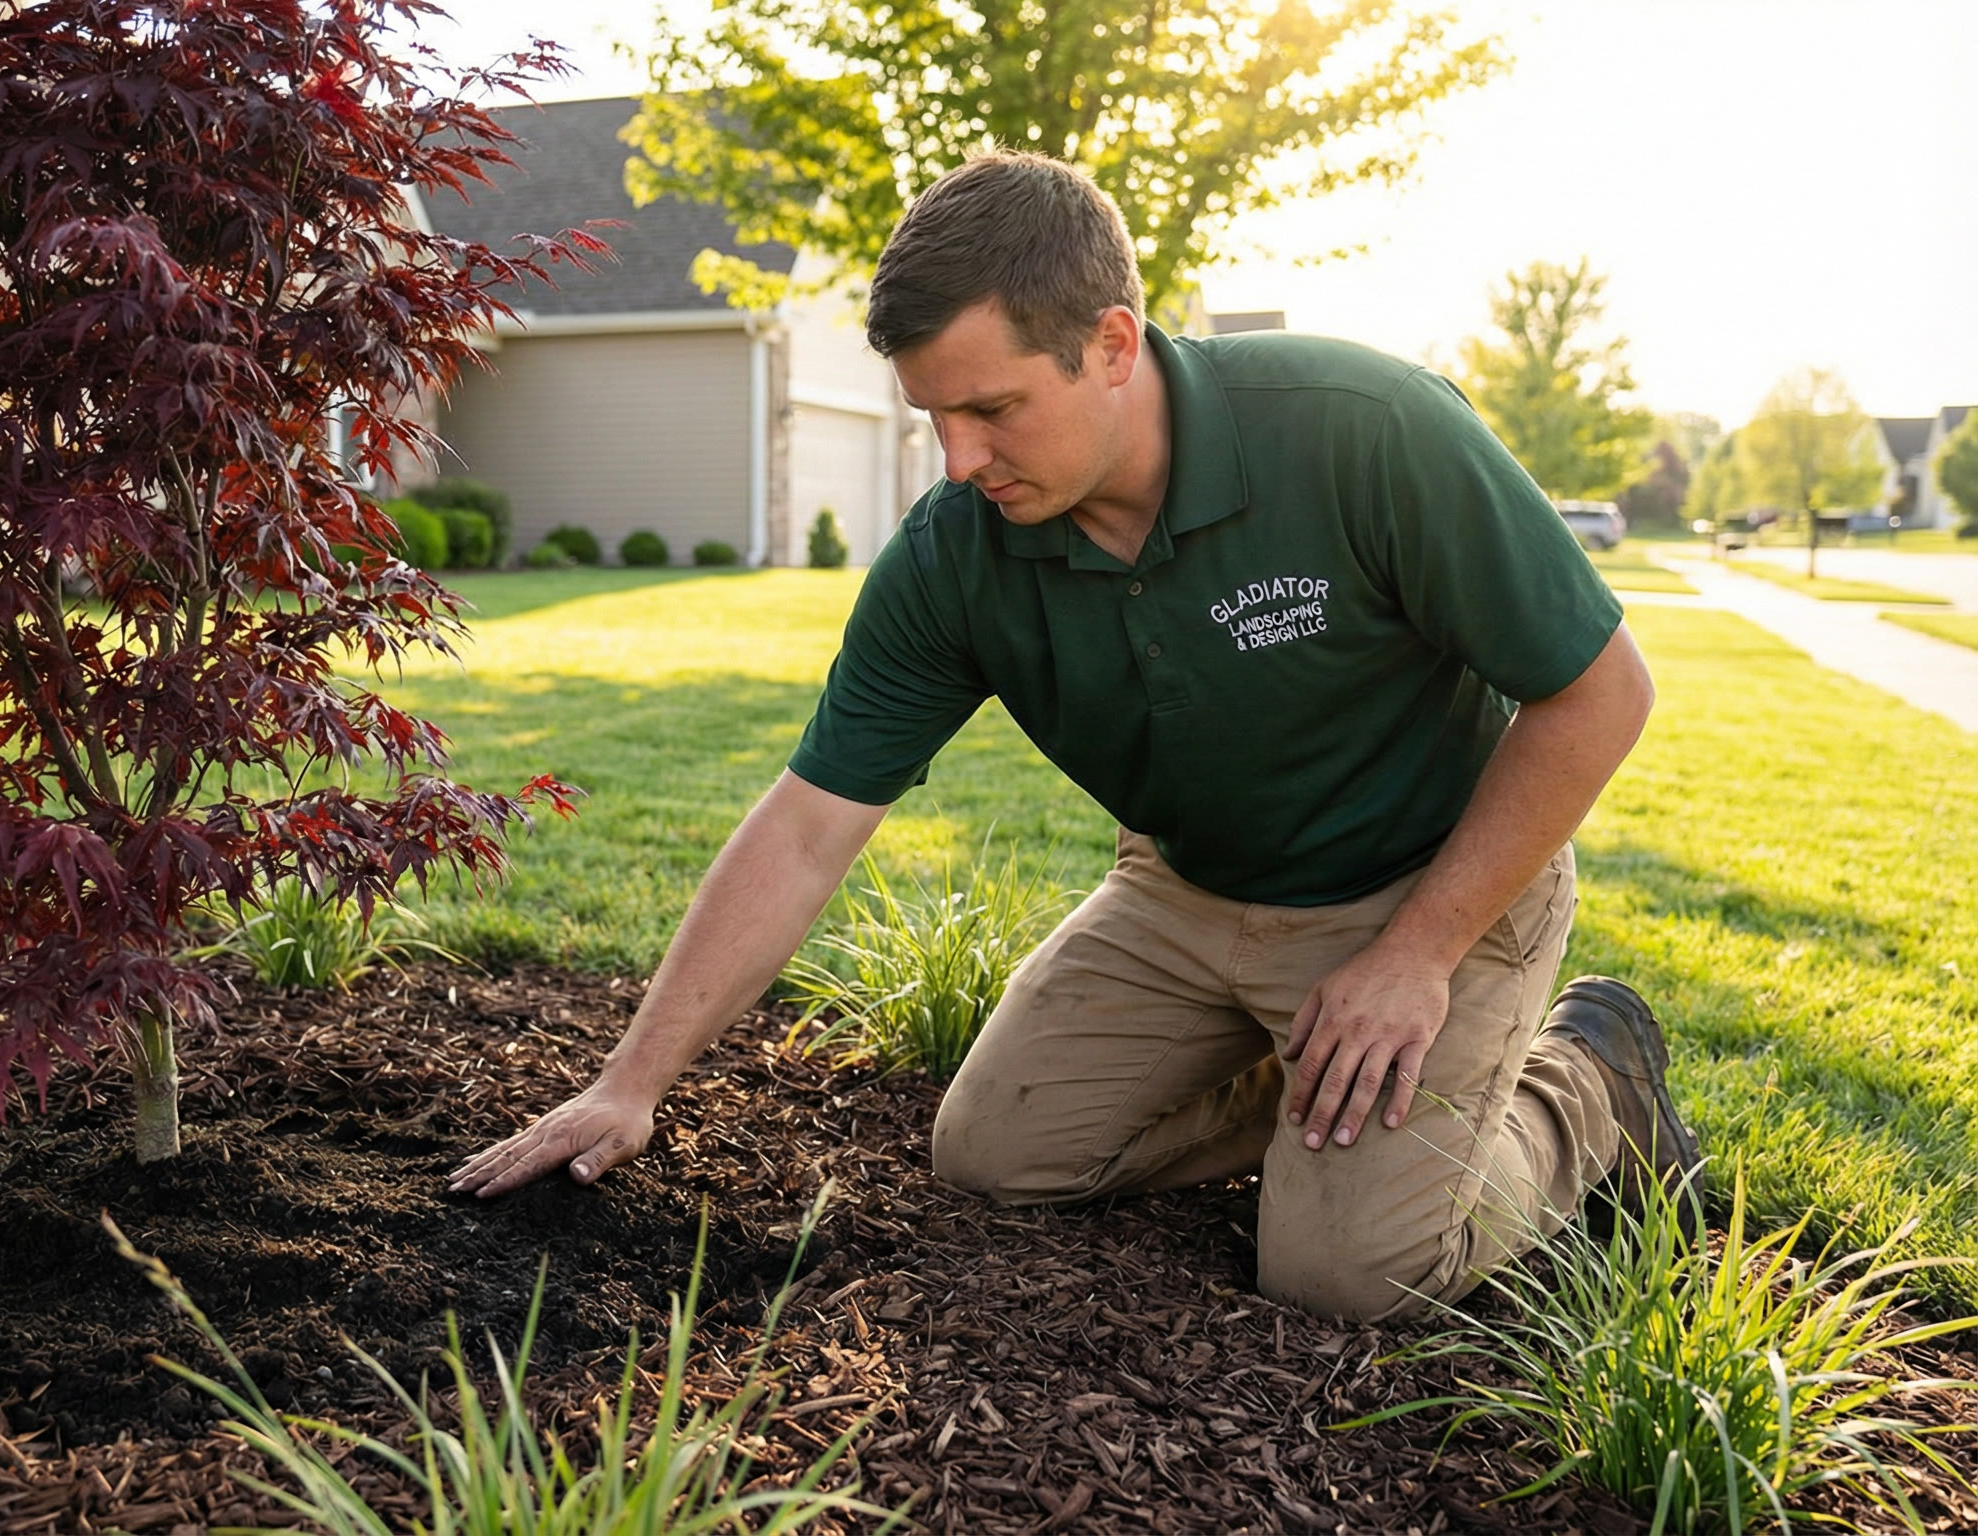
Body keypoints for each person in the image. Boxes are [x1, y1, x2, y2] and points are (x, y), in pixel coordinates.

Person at [448, 151, 1702, 1322]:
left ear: (1111, 345)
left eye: (991, 408)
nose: (958, 461)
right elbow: (807, 828)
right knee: (996, 1155)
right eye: (931, 417)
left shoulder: (1362, 427)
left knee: (1350, 1275)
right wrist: (630, 1083)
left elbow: (1599, 694)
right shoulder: (956, 556)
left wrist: (1418, 953)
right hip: (1186, 889)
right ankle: (1331, 1103)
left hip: (1421, 890)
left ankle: (1585, 1083)